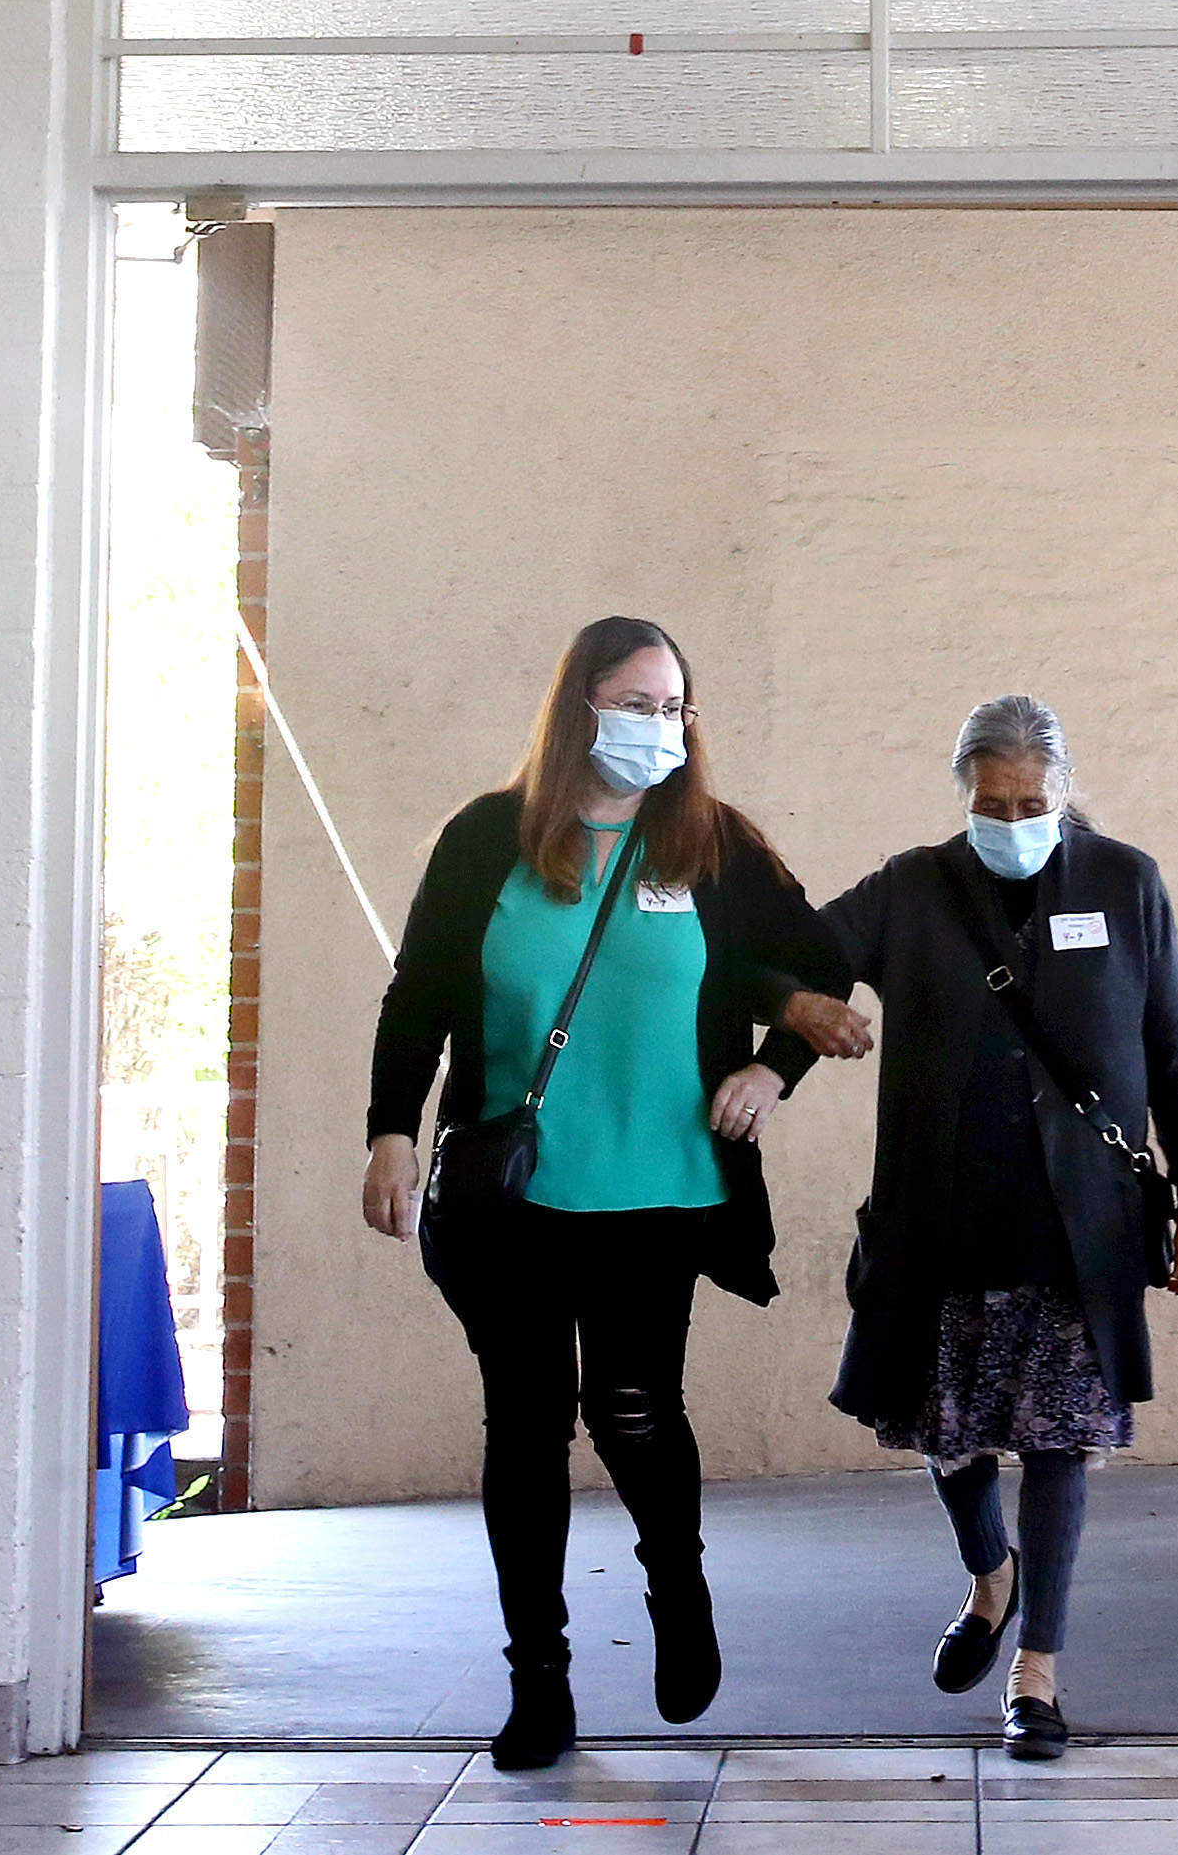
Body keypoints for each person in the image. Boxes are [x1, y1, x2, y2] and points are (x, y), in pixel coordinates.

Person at [362, 615, 856, 1771]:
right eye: (635, 703)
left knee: (633, 1410)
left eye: (674, 706)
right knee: (525, 1431)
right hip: (512, 1194)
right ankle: (540, 1680)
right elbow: (419, 992)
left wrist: (766, 1068)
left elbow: (822, 968)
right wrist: (390, 1132)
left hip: (661, 1188)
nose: (658, 727)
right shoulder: (490, 837)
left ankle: (676, 1591)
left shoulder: (712, 841)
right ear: (578, 704)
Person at [774, 694, 1178, 1763]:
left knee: (1061, 1442)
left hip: (1082, 1224)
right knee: (946, 1430)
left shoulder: (1125, 881)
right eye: (991, 801)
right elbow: (784, 954)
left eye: (1031, 801)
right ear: (963, 795)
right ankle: (991, 1574)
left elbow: (1172, 1046)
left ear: (1065, 791)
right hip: (941, 1212)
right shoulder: (911, 889)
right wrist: (797, 1015)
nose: (1011, 818)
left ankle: (1038, 1674)